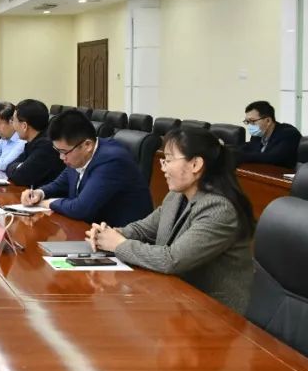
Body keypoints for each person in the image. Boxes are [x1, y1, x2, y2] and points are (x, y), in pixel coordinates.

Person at [86, 127, 256, 314]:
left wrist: (119, 244)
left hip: (213, 314)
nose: (163, 168)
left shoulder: (218, 209)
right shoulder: (176, 197)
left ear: (195, 164)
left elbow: (172, 260)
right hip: (178, 300)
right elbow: (143, 229)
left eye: (168, 160)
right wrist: (111, 234)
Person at [21, 110, 153, 226]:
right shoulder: (78, 155)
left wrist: (49, 203)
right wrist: (40, 193)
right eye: (58, 151)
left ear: (87, 145)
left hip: (122, 238)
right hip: (90, 230)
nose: (61, 157)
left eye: (64, 152)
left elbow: (80, 209)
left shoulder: (112, 160)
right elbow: (62, 182)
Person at [5, 99, 64, 187]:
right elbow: (9, 166)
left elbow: (20, 176)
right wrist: (20, 166)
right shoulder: (34, 142)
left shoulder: (46, 146)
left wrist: (20, 167)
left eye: (13, 120)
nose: (13, 124)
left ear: (24, 126)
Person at [236, 100, 301, 169]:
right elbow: (249, 149)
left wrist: (241, 156)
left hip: (284, 174)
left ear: (268, 121)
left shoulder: (288, 134)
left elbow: (272, 158)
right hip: (264, 172)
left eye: (252, 121)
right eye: (247, 122)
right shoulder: (257, 136)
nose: (250, 125)